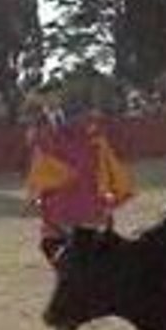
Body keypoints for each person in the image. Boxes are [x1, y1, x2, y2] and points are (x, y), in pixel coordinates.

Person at [25, 101, 134, 266]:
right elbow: (116, 183)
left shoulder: (48, 146)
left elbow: (38, 193)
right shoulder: (95, 143)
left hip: (63, 223)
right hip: (90, 219)